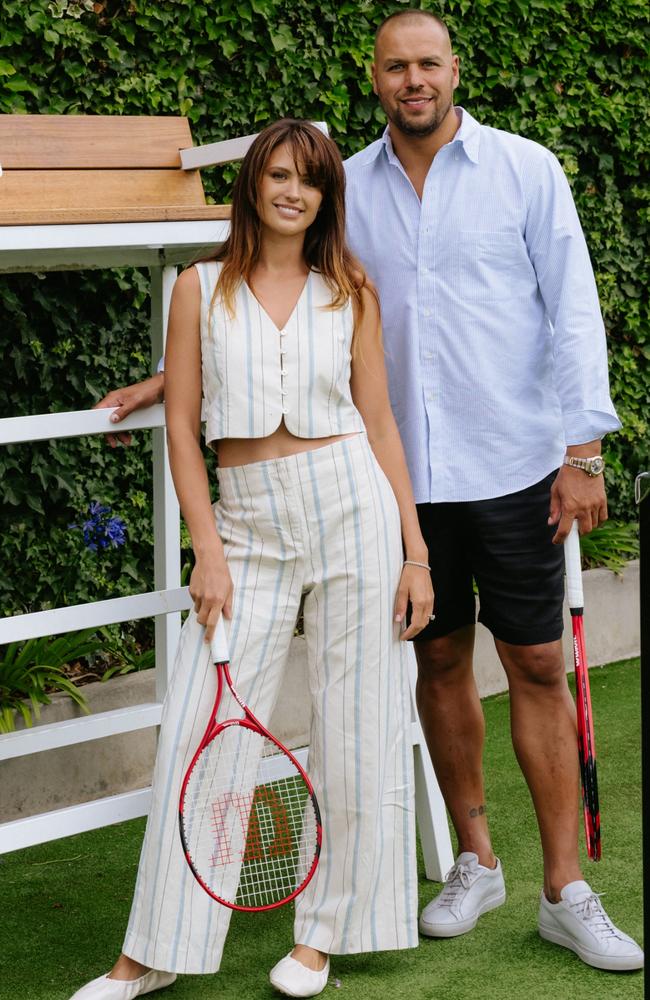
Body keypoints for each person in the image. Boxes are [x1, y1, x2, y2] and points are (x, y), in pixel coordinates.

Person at [97, 8, 643, 976]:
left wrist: (582, 448)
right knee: (433, 673)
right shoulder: (347, 185)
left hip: (511, 463)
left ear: (452, 69)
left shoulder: (525, 169)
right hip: (401, 485)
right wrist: (170, 382)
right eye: (395, 66)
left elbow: (568, 306)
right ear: (376, 77)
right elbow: (280, 304)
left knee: (533, 667)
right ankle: (471, 862)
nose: (412, 80)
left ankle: (563, 890)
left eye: (427, 63)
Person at [73, 118, 433, 1000]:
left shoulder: (349, 288)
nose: (292, 192)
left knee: (361, 725)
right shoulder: (198, 288)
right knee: (204, 729)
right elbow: (185, 430)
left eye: (308, 180)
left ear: (325, 197)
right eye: (277, 175)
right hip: (248, 524)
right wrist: (207, 549)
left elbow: (380, 422)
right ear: (252, 185)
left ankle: (322, 940)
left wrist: (414, 552)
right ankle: (150, 953)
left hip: (353, 502)